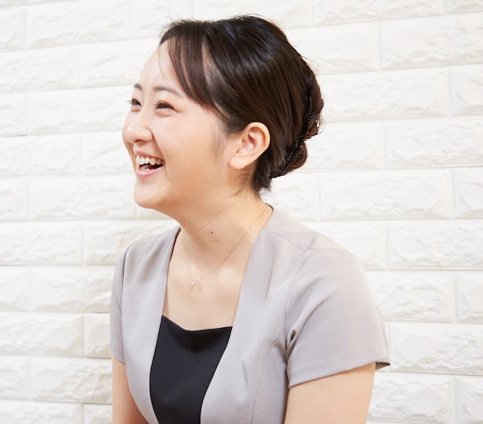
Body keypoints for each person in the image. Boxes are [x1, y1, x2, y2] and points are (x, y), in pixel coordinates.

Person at [110, 15, 389, 424]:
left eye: (164, 106)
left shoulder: (323, 283)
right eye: (136, 103)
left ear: (246, 143)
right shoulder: (135, 268)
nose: (134, 130)